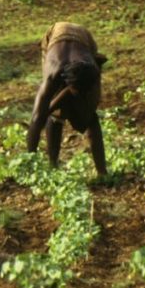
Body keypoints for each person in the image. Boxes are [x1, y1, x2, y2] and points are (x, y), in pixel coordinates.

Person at [26, 22, 108, 176]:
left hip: (84, 39)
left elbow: (90, 112)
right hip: (56, 36)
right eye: (75, 90)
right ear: (69, 83)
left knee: (90, 117)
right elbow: (37, 118)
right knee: (56, 115)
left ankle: (102, 172)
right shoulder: (53, 72)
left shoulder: (92, 71)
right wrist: (30, 165)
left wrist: (84, 109)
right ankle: (53, 165)